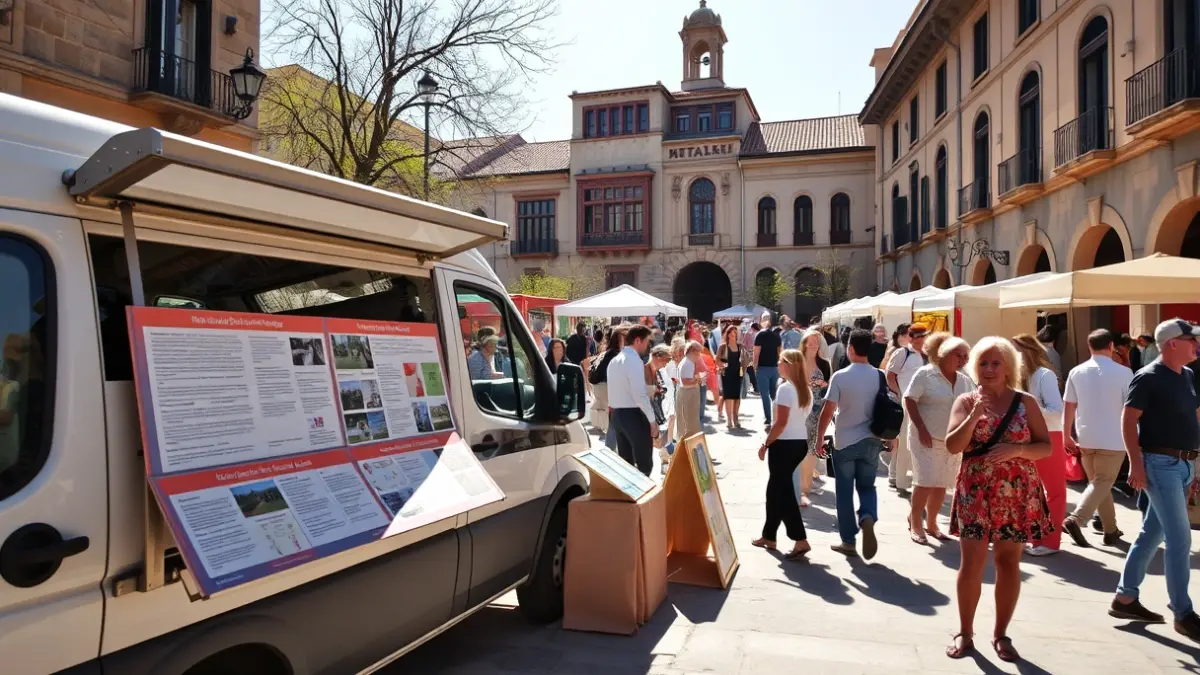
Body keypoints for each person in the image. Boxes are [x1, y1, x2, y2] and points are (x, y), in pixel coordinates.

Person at [944, 337, 1054, 663]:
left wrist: (1017, 450)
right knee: (972, 564)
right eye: (983, 363)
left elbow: (1045, 446)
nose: (989, 369)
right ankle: (965, 631)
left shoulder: (1026, 401)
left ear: (1009, 367)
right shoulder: (966, 401)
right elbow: (953, 446)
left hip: (1016, 491)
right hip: (976, 492)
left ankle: (1001, 633)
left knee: (1008, 563)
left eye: (995, 363)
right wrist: (974, 415)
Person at [1111, 319, 1200, 639]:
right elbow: (1127, 421)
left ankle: (1125, 597)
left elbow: (1193, 417)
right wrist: (1136, 465)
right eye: (1192, 339)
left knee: (1152, 532)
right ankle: (1183, 613)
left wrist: (1196, 464)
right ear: (1172, 343)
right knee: (1180, 539)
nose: (1196, 344)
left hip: (1184, 464)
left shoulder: (1187, 375)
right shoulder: (1147, 377)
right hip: (1159, 464)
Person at [816, 329, 886, 560]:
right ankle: (867, 515)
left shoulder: (840, 376)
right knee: (867, 487)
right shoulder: (880, 375)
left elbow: (827, 412)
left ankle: (848, 541)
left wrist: (818, 439)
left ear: (851, 349)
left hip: (844, 441)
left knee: (844, 492)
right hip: (872, 440)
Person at [1060, 329, 1134, 549]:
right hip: (1114, 437)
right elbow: (1130, 409)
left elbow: (1069, 406)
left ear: (1089, 346)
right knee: (1102, 483)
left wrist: (1066, 435)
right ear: (1111, 346)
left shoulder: (1076, 372)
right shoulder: (1124, 373)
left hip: (1086, 437)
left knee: (1100, 484)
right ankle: (1077, 518)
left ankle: (1110, 530)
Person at [903, 334, 974, 545]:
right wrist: (921, 428)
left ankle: (932, 523)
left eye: (966, 356)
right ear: (944, 354)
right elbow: (909, 399)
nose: (962, 360)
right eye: (958, 355)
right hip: (924, 437)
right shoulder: (925, 374)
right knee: (925, 481)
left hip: (952, 440)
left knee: (942, 483)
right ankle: (916, 520)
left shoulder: (965, 380)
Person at [1009, 334, 1067, 557]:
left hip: (1048, 436)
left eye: (1015, 350)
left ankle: (1050, 541)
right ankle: (1032, 536)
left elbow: (1056, 410)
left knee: (1053, 491)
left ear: (1028, 351)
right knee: (1028, 490)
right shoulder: (1015, 377)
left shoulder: (1045, 375)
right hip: (1024, 438)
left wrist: (1026, 409)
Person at [752, 348, 814, 559]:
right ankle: (769, 535)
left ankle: (800, 539)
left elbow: (780, 423)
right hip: (798, 443)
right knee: (775, 489)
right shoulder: (803, 388)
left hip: (784, 444)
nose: (777, 365)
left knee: (784, 492)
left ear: (788, 365)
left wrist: (766, 443)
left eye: (780, 362)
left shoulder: (786, 389)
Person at [606, 325, 658, 476]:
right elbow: (639, 395)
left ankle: (629, 497)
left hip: (617, 415)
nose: (648, 345)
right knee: (644, 463)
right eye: (646, 341)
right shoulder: (633, 360)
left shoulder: (615, 360)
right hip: (632, 414)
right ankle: (642, 498)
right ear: (637, 340)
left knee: (626, 464)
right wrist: (652, 420)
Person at [886, 323, 930, 496]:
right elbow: (890, 375)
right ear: (912, 338)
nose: (923, 339)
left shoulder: (929, 355)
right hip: (907, 402)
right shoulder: (902, 353)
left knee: (921, 442)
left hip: (926, 404)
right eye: (920, 336)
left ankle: (916, 477)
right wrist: (899, 394)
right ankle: (900, 480)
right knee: (904, 442)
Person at [797, 328, 832, 506]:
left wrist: (822, 383)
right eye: (810, 342)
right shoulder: (797, 361)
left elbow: (829, 387)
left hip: (817, 411)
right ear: (804, 344)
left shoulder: (825, 364)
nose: (813, 345)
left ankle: (805, 486)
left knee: (811, 447)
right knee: (798, 446)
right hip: (799, 409)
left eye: (816, 343)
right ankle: (798, 485)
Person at [589, 329, 625, 439]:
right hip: (609, 390)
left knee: (612, 423)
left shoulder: (608, 352)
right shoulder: (615, 354)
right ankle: (612, 449)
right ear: (618, 340)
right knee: (613, 423)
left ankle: (611, 446)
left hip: (605, 389)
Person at [754, 311, 783, 430]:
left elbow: (756, 354)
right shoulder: (777, 336)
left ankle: (768, 418)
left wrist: (755, 368)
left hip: (762, 368)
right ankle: (776, 417)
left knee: (764, 395)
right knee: (774, 395)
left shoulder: (759, 335)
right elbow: (780, 353)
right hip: (775, 368)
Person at [675, 341, 705, 444]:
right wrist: (698, 378)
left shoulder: (687, 362)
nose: (699, 355)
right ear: (693, 351)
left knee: (688, 423)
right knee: (689, 424)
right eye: (698, 352)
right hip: (688, 395)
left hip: (687, 394)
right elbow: (686, 382)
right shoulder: (688, 363)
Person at [717, 325, 746, 430]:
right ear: (727, 334)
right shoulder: (723, 346)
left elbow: (744, 359)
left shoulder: (740, 346)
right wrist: (723, 365)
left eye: (735, 333)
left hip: (738, 373)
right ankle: (729, 419)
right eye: (731, 332)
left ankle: (736, 418)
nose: (733, 335)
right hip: (726, 374)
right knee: (728, 397)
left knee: (737, 397)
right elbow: (717, 360)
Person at [744, 322, 761, 394]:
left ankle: (756, 388)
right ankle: (759, 387)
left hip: (749, 355)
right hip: (759, 355)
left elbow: (744, 344)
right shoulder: (760, 334)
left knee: (750, 371)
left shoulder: (748, 333)